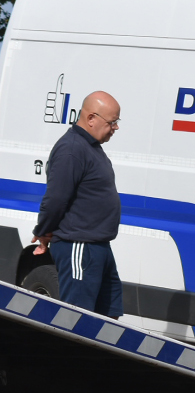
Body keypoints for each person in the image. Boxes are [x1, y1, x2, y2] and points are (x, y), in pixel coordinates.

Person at [31, 91, 124, 318]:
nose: (116, 128)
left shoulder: (91, 146)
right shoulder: (71, 149)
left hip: (98, 245)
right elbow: (56, 199)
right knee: (77, 318)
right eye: (112, 122)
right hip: (79, 245)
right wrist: (43, 230)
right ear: (91, 118)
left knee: (109, 317)